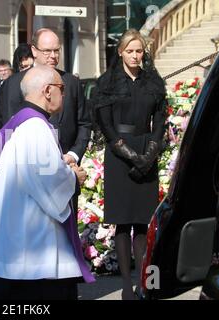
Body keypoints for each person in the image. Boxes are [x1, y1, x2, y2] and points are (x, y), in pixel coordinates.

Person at [0, 66, 95, 300]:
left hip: (15, 242)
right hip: (35, 254)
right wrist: (74, 177)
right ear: (48, 91)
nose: (65, 93)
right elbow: (49, 184)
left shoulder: (21, 123)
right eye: (62, 88)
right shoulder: (36, 128)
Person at [93, 29, 167, 300]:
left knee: (144, 223)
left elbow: (160, 120)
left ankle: (145, 283)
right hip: (118, 154)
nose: (136, 55)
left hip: (147, 150)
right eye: (131, 50)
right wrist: (129, 155)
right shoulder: (107, 82)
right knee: (123, 223)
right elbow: (105, 123)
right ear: (121, 51)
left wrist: (149, 154)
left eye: (139, 51)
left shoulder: (153, 82)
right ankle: (126, 286)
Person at [0, 28, 91, 213]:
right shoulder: (14, 85)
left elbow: (84, 123)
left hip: (66, 171)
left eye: (57, 50)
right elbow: (6, 128)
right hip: (29, 176)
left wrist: (73, 154)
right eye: (47, 51)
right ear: (34, 50)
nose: (53, 56)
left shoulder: (71, 82)